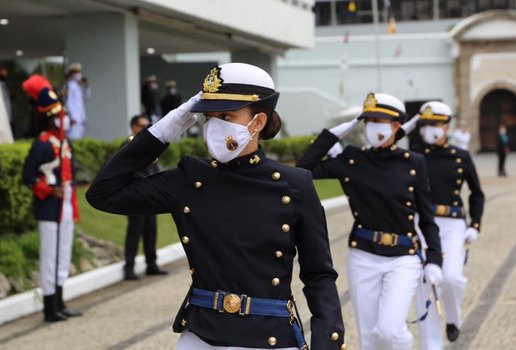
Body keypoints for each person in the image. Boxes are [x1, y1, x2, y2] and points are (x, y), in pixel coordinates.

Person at [87, 63, 346, 349]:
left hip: (269, 337)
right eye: (208, 116)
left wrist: (327, 342)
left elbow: (318, 273)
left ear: (258, 122)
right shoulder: (190, 179)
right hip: (200, 337)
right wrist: (164, 130)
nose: (214, 125)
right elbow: (104, 193)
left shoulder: (294, 185)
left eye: (226, 115)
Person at [296, 92, 443, 350]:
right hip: (363, 256)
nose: (372, 125)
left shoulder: (413, 163)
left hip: (404, 256)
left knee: (389, 330)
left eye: (379, 120)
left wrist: (434, 258)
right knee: (369, 337)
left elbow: (427, 216)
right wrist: (334, 134)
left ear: (396, 126)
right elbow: (302, 171)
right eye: (368, 120)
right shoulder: (353, 159)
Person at [402, 101, 485, 348]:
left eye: (435, 124)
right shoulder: (414, 154)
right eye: (425, 124)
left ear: (447, 126)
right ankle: (432, 345)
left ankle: (454, 318)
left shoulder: (460, 156)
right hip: (421, 223)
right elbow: (389, 142)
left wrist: (476, 225)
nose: (430, 129)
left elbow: (477, 193)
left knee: (451, 278)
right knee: (427, 284)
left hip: (452, 225)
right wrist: (412, 123)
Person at [22, 86, 82, 322]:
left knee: (63, 254)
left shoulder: (64, 142)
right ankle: (49, 307)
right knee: (50, 256)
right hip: (49, 206)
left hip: (66, 204)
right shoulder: (43, 143)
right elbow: (28, 176)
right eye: (59, 115)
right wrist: (48, 189)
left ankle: (60, 301)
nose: (64, 118)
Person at [123, 115, 168, 280]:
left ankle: (151, 264)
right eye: (142, 126)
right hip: (135, 197)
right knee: (134, 232)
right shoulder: (129, 145)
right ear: (134, 127)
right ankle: (129, 267)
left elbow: (154, 169)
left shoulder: (149, 145)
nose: (145, 128)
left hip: (149, 197)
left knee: (151, 232)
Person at [65, 63, 88, 140]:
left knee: (79, 138)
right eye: (76, 73)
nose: (79, 75)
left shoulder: (78, 86)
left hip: (80, 118)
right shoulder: (69, 85)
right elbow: (68, 102)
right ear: (72, 74)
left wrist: (86, 86)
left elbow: (86, 97)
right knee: (73, 139)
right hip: (75, 119)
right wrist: (73, 117)